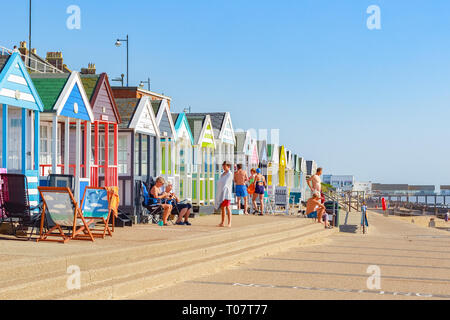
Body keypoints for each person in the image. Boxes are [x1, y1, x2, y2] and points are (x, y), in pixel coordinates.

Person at [215, 161, 233, 228]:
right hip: (221, 193)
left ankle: (229, 222)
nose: (223, 167)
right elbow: (220, 182)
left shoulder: (230, 174)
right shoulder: (222, 174)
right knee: (222, 208)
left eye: (224, 166)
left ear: (228, 166)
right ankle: (222, 222)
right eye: (223, 166)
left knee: (228, 207)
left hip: (227, 193)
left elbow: (226, 183)